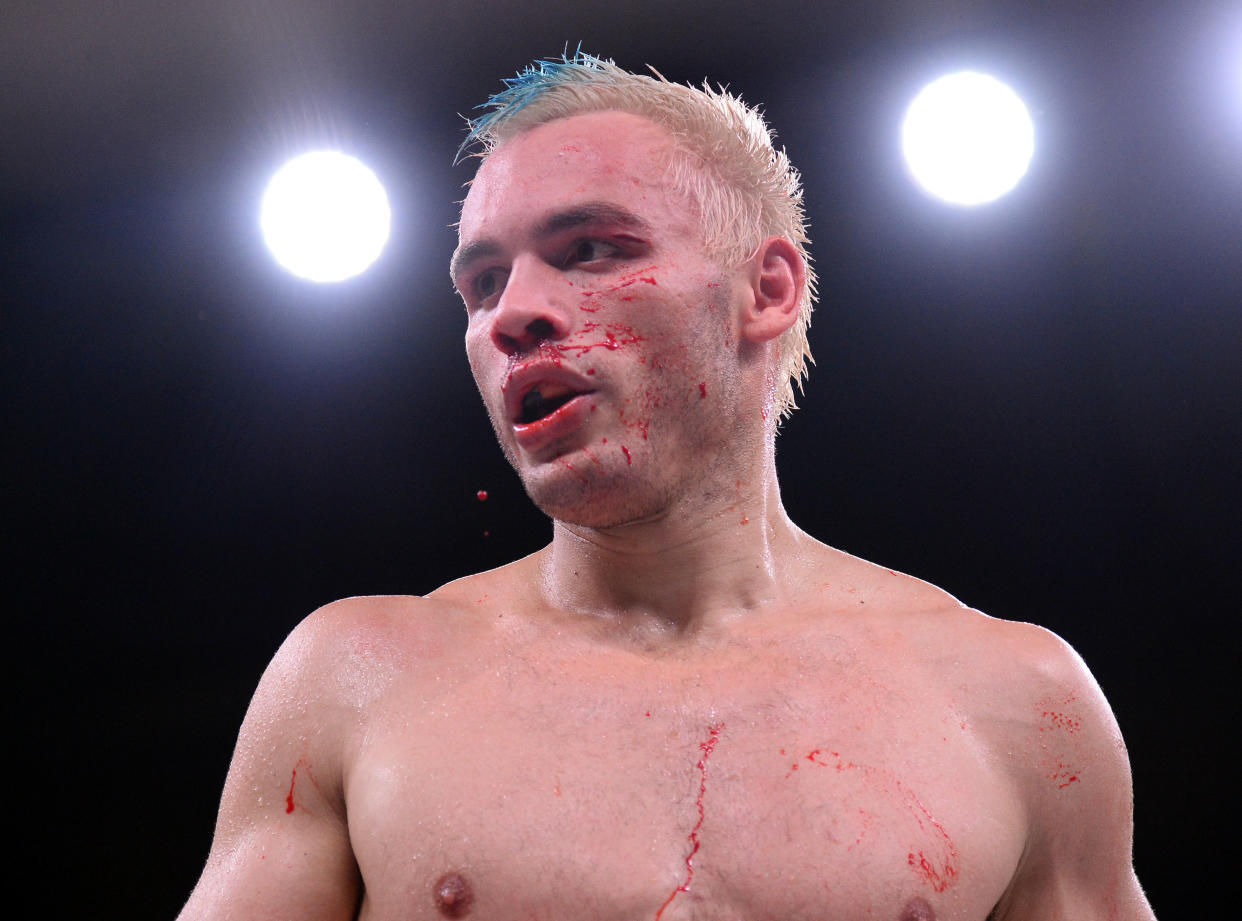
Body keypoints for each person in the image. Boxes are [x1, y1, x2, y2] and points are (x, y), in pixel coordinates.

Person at [178, 53, 1155, 921]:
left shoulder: (1015, 701)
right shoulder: (356, 679)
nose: (513, 313)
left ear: (766, 291)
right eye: (480, 283)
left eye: (589, 250)